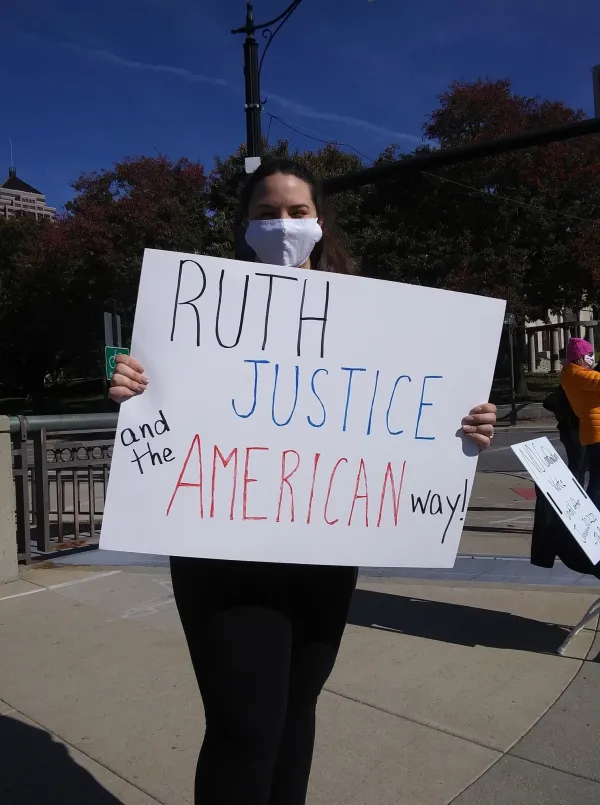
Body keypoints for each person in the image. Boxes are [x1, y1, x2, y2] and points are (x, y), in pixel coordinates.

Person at [109, 159, 497, 805]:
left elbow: (415, 409)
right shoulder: (194, 313)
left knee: (296, 715)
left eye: (297, 213)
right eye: (266, 214)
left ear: (320, 223)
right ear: (241, 226)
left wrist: (468, 425)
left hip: (323, 554)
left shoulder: (377, 320)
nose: (283, 226)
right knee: (245, 727)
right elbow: (164, 407)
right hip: (223, 550)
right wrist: (131, 389)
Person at [561, 337, 600, 509]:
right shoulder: (578, 374)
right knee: (598, 481)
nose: (592, 358)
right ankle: (596, 518)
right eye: (589, 354)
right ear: (580, 357)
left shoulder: (573, 374)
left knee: (596, 479)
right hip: (596, 430)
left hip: (593, 430)